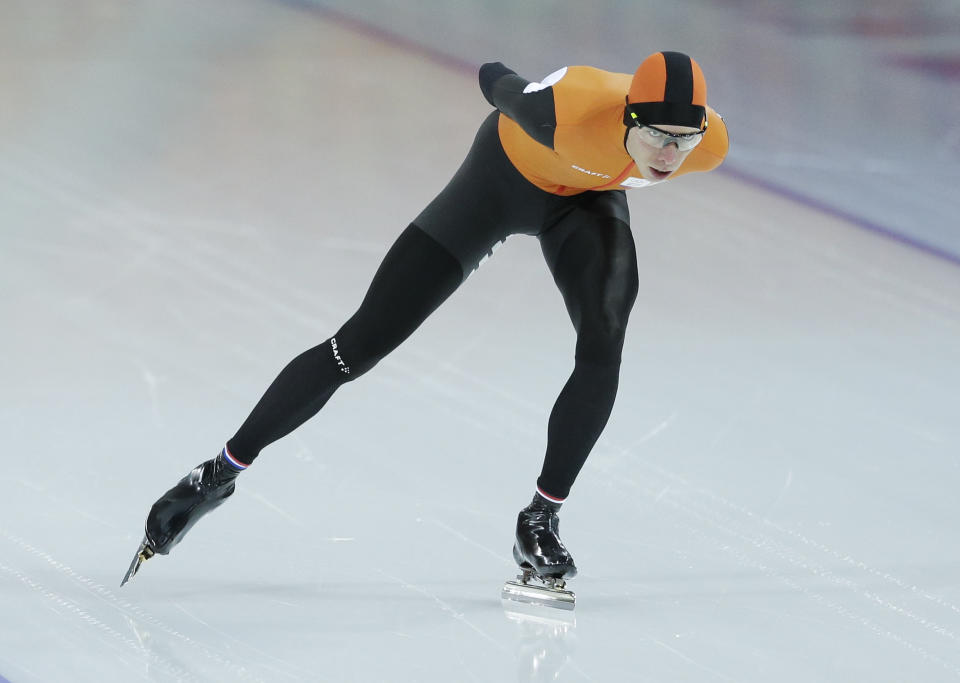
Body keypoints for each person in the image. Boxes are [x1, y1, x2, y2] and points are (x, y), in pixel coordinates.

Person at [122, 51, 729, 591]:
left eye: (684, 138)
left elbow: (679, 145)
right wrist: (497, 72)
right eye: (656, 135)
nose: (670, 154)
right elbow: (498, 82)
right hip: (499, 181)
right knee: (356, 346)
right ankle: (215, 476)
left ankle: (539, 518)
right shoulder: (567, 112)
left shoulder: (710, 145)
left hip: (585, 204)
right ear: (627, 118)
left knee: (604, 343)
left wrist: (665, 147)